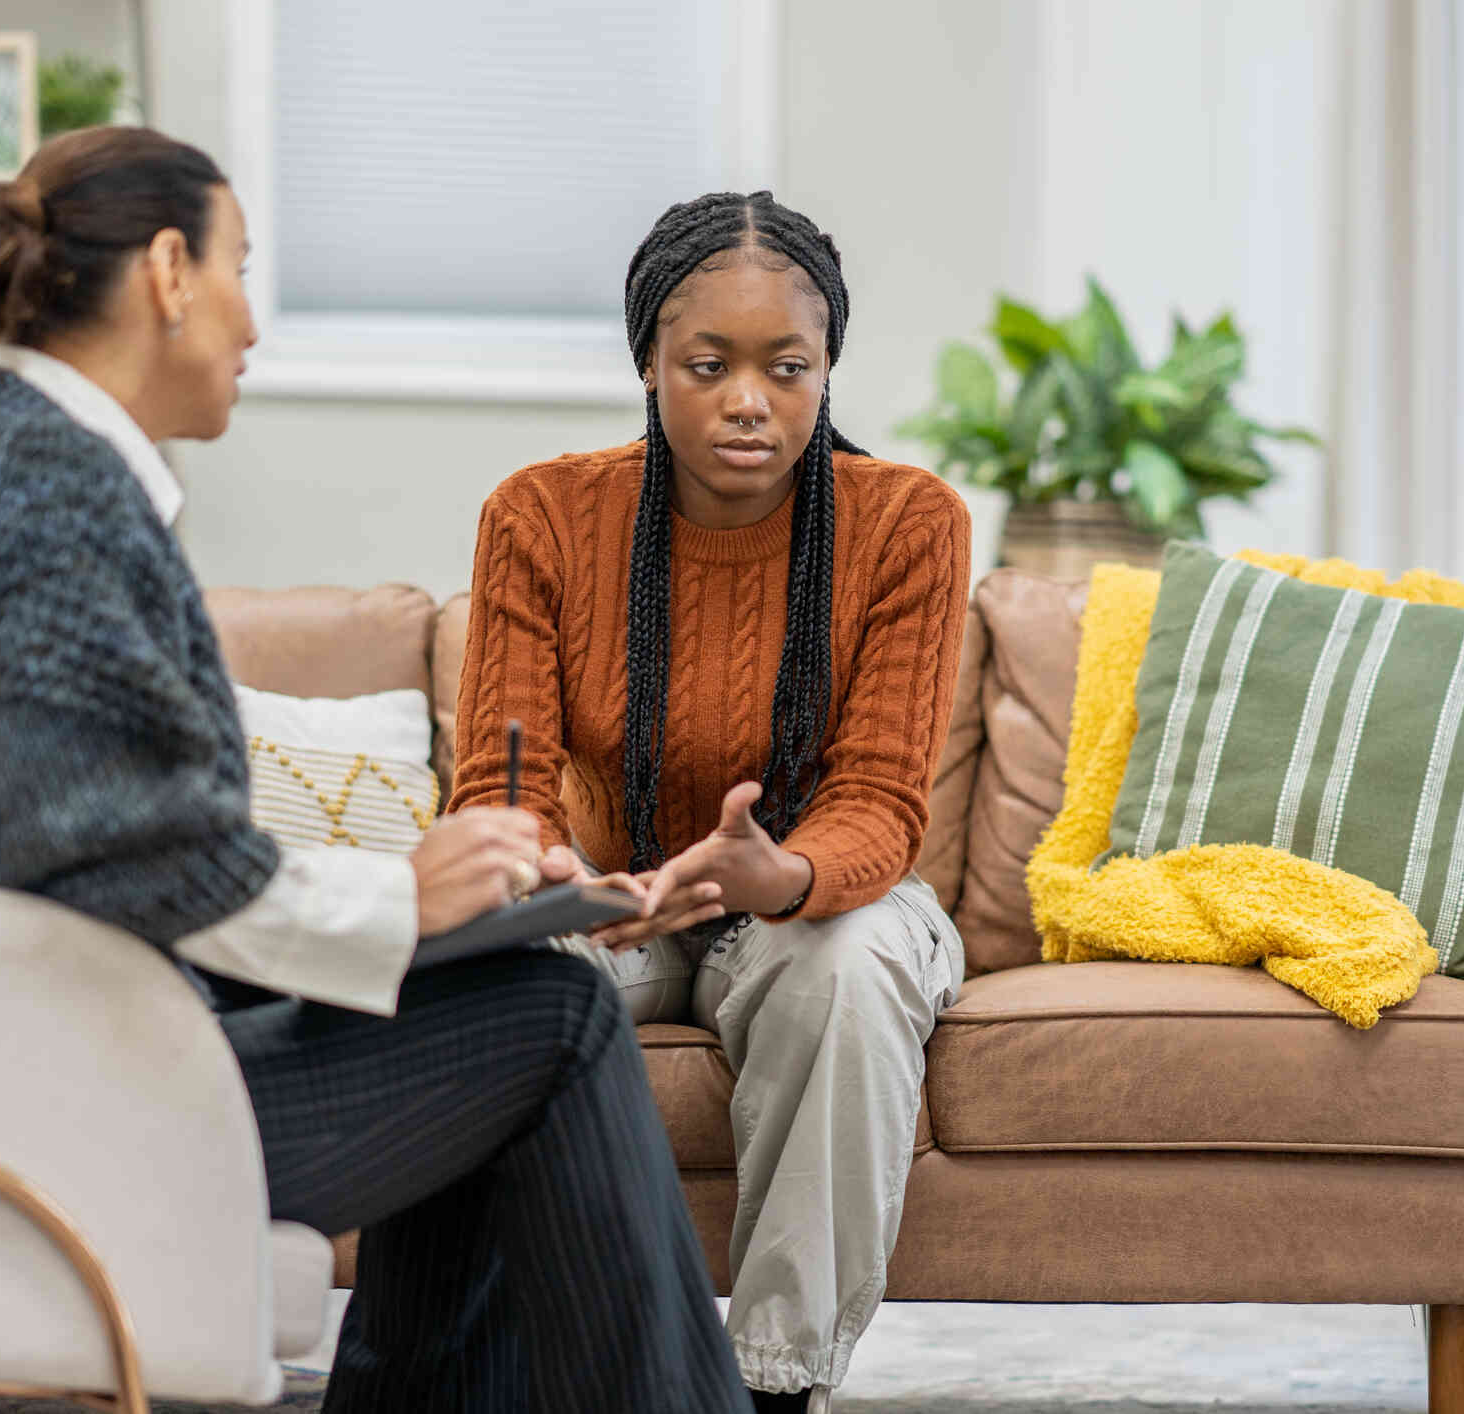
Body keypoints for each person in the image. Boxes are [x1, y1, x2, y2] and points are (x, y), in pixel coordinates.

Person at [0, 125, 750, 1414]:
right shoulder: (43, 497)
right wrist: (404, 897)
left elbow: (112, 841)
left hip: (35, 1054)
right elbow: (139, 859)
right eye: (241, 268)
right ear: (166, 272)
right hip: (55, 1107)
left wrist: (441, 910)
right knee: (562, 1020)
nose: (255, 321)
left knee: (508, 982)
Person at [450, 191, 974, 1413]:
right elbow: (504, 787)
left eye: (787, 366)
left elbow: (881, 800)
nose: (751, 397)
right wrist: (555, 877)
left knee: (842, 961)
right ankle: (542, 1363)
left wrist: (778, 875)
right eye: (710, 363)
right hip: (619, 898)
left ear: (827, 366)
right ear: (648, 361)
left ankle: (776, 1386)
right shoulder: (541, 515)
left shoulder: (907, 524)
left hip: (808, 905)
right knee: (507, 967)